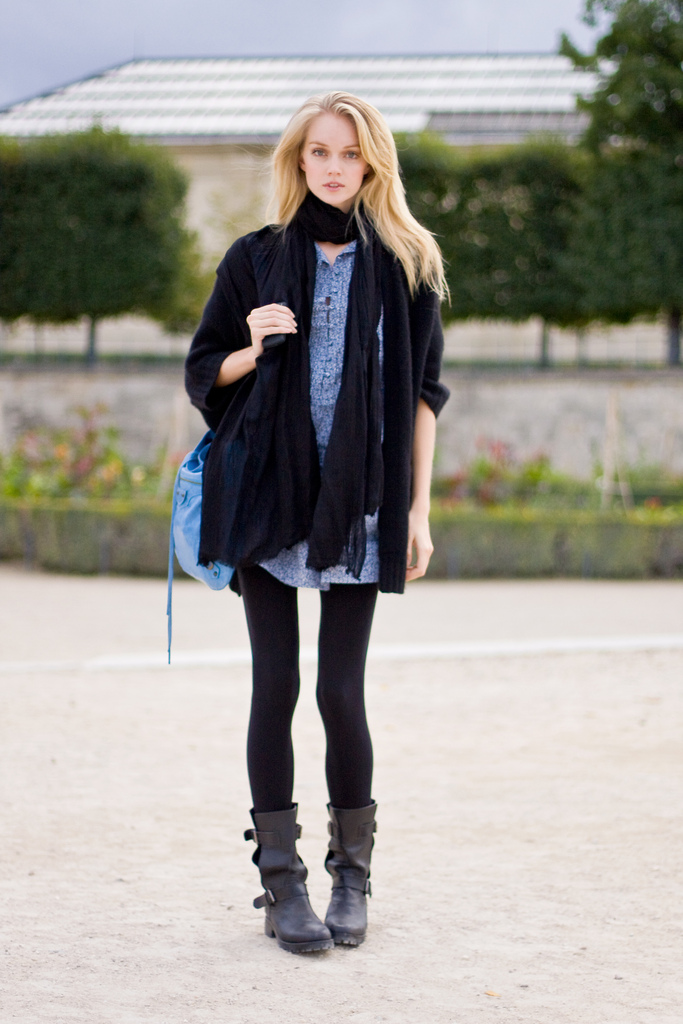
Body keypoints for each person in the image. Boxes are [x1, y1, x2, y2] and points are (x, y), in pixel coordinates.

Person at [185, 91, 449, 954]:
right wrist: (251, 346)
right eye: (319, 152)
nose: (333, 167)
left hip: (361, 502)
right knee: (276, 686)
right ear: (298, 161)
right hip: (269, 495)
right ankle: (280, 882)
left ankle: (352, 879)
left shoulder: (407, 264)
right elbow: (203, 373)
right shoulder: (254, 257)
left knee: (340, 691)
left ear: (372, 163)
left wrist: (416, 510)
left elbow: (422, 395)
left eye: (349, 153)